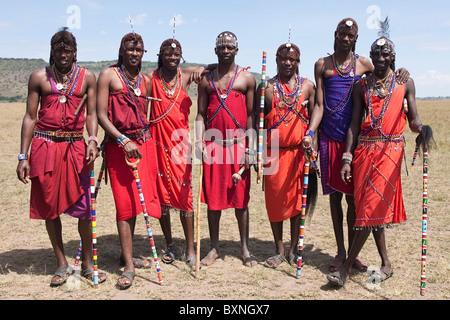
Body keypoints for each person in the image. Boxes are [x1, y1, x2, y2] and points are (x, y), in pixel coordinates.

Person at [307, 18, 409, 273]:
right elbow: (319, 104)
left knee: (355, 200)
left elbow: (384, 77)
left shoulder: (364, 63)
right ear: (336, 34)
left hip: (355, 142)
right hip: (330, 138)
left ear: (355, 39)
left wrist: (402, 72)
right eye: (342, 33)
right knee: (335, 199)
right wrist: (311, 131)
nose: (346, 38)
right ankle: (341, 253)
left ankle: (354, 254)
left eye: (351, 35)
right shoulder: (322, 64)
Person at [327, 26, 426, 287]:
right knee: (370, 210)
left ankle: (346, 268)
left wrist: (422, 130)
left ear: (393, 57)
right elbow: (353, 125)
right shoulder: (362, 85)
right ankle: (386, 264)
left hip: (390, 152)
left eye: (385, 54)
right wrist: (347, 156)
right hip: (363, 152)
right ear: (371, 56)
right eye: (376, 54)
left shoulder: (405, 83)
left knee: (370, 208)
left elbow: (414, 120)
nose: (380, 58)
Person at [16, 27, 106, 287]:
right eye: (58, 50)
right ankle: (61, 263)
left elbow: (91, 115)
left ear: (75, 52)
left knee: (85, 208)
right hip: (44, 147)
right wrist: (24, 155)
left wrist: (91, 140)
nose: (63, 54)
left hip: (76, 149)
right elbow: (30, 117)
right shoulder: (39, 78)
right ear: (52, 52)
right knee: (48, 206)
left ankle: (88, 265)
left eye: (67, 50)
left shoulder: (87, 77)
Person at [97, 33, 161, 289]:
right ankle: (129, 267)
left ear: (144, 53)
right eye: (130, 49)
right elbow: (101, 114)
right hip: (119, 148)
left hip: (143, 147)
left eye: (139, 50)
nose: (134, 53)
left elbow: (142, 117)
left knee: (137, 203)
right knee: (124, 205)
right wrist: (122, 140)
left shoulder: (145, 81)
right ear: (122, 50)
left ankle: (128, 254)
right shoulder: (108, 75)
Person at [147, 38, 213, 269]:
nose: (173, 58)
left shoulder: (185, 76)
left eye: (177, 54)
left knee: (184, 194)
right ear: (161, 55)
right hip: (155, 142)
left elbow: (212, 67)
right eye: (168, 54)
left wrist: (203, 68)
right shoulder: (151, 79)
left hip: (179, 143)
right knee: (161, 193)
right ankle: (170, 244)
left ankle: (191, 247)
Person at [195, 31, 257, 267]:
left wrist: (251, 148)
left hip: (239, 145)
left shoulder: (247, 79)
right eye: (222, 47)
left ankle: (244, 248)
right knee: (214, 199)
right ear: (215, 51)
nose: (226, 51)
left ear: (236, 50)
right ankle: (213, 247)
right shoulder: (206, 79)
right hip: (213, 145)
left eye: (230, 47)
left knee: (241, 199)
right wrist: (199, 142)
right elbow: (200, 114)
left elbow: (251, 115)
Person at [256, 43, 317, 268]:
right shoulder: (267, 88)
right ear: (277, 60)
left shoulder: (308, 87)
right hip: (273, 152)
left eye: (292, 59)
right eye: (283, 58)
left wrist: (312, 141)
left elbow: (316, 114)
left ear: (298, 61)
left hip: (299, 153)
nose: (288, 63)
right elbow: (257, 119)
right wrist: (257, 150)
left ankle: (293, 249)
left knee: (297, 202)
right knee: (274, 201)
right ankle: (279, 249)